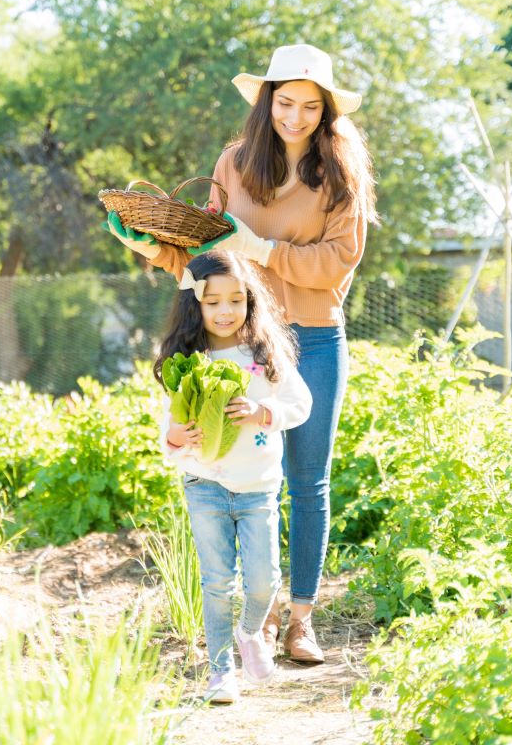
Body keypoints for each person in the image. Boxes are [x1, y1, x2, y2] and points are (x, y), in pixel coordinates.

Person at [108, 43, 377, 663]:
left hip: (310, 335)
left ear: (326, 112)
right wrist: (150, 248)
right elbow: (209, 258)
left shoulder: (341, 177)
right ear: (267, 102)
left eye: (311, 106)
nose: (295, 115)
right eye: (285, 101)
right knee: (242, 472)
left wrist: (261, 249)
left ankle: (301, 618)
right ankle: (247, 616)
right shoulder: (233, 164)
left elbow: (336, 264)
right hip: (240, 338)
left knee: (308, 480)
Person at [154, 251, 312, 704]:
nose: (225, 311)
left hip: (258, 485)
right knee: (218, 582)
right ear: (195, 305)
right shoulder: (185, 359)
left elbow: (300, 405)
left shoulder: (265, 354)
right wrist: (175, 434)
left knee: (263, 582)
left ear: (250, 302)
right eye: (213, 302)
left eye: (236, 301)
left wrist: (264, 412)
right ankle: (221, 671)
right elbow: (164, 422)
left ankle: (250, 633)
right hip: (204, 484)